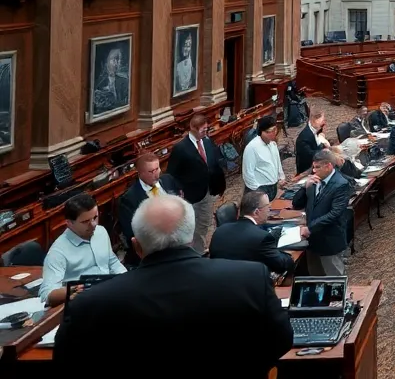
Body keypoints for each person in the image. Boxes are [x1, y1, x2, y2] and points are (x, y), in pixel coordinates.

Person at [53, 195, 292, 375]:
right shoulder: (250, 278)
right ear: (191, 238)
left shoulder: (89, 304)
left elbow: (68, 366)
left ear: (136, 246)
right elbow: (281, 339)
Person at [39, 194, 125, 306]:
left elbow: (112, 262)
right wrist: (75, 290)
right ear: (69, 223)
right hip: (84, 302)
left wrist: (127, 280)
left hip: (110, 293)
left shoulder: (101, 232)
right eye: (85, 222)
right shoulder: (57, 252)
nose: (93, 224)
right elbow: (47, 294)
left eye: (95, 217)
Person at [165, 113, 226, 253]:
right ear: (193, 127)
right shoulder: (180, 148)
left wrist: (219, 184)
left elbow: (213, 164)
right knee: (189, 226)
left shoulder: (207, 141)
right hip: (189, 195)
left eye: (206, 129)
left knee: (204, 223)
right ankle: (192, 253)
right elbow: (171, 174)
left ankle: (198, 250)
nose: (206, 132)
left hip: (207, 191)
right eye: (203, 130)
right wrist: (178, 192)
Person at [290, 150, 352, 274]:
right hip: (313, 241)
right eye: (313, 167)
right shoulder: (314, 181)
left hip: (329, 241)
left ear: (328, 166)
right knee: (316, 280)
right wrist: (304, 187)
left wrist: (310, 228)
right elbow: (296, 204)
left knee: (334, 281)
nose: (314, 171)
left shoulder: (341, 184)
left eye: (317, 167)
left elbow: (334, 214)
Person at [117, 152, 182, 267]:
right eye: (151, 171)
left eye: (157, 169)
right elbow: (132, 232)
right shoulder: (129, 199)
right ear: (140, 173)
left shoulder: (168, 180)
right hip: (154, 252)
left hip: (178, 241)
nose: (156, 175)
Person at [208, 190, 294, 276]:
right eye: (267, 207)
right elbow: (281, 265)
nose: (269, 210)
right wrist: (289, 256)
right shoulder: (262, 237)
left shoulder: (219, 231)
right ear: (256, 212)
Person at [242, 114, 286, 200]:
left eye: (274, 130)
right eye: (269, 132)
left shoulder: (273, 144)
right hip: (260, 188)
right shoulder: (252, 148)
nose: (273, 134)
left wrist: (281, 176)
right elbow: (247, 173)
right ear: (261, 132)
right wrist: (257, 191)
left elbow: (276, 162)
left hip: (273, 186)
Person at [295, 109, 328, 175]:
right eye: (322, 120)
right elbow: (310, 155)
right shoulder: (304, 138)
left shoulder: (316, 129)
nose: (324, 123)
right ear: (315, 120)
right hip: (307, 171)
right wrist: (325, 150)